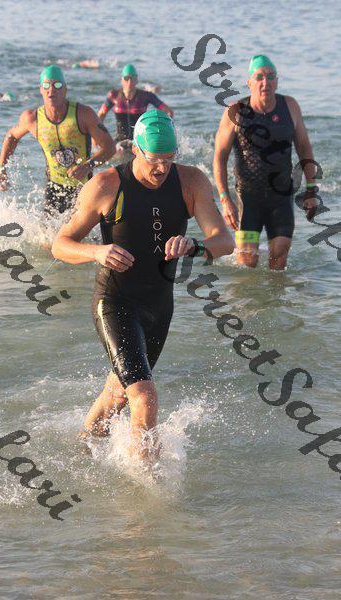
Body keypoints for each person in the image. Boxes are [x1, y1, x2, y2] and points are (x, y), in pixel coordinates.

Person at [52, 109, 234, 463]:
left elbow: (224, 240)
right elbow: (61, 244)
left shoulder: (191, 182)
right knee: (145, 396)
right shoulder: (106, 185)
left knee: (120, 392)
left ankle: (83, 449)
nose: (162, 168)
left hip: (159, 306)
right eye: (154, 159)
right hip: (115, 300)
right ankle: (145, 486)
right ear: (135, 149)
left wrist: (195, 245)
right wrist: (97, 252)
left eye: (169, 158)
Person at [213, 54, 318, 270]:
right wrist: (224, 199)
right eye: (259, 77)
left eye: (271, 77)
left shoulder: (290, 106)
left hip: (281, 196)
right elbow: (219, 158)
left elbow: (304, 148)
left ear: (277, 82)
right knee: (247, 264)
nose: (265, 82)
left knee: (279, 260)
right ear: (249, 82)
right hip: (247, 198)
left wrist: (311, 189)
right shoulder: (235, 112)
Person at [0, 65, 116, 217]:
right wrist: (1, 170)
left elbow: (110, 148)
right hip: (54, 188)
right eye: (46, 85)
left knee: (80, 230)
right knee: (47, 231)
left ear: (65, 89)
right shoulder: (32, 119)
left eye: (57, 85)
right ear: (41, 90)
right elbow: (11, 136)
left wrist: (88, 165)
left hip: (83, 187)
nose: (51, 90)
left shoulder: (83, 114)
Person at [98, 64, 173, 152]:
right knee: (115, 153)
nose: (129, 81)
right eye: (126, 78)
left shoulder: (146, 96)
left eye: (132, 78)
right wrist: (98, 136)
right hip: (119, 142)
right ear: (122, 80)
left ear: (137, 80)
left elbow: (168, 112)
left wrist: (162, 133)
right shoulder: (113, 95)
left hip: (140, 141)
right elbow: (101, 114)